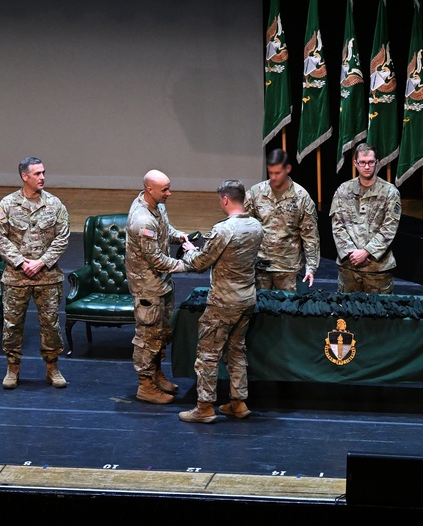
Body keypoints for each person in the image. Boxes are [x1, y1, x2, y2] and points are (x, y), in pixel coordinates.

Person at [178, 180, 263, 423]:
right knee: (237, 351)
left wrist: (189, 249)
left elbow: (200, 263)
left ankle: (204, 407)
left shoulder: (223, 230)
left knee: (208, 353)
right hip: (247, 298)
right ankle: (238, 402)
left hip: (223, 302)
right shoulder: (256, 226)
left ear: (225, 199)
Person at [0, 157, 71, 389]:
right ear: (25, 176)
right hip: (16, 278)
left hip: (47, 277)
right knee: (12, 325)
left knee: (51, 325)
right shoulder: (7, 204)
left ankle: (52, 367)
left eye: (43, 172)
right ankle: (12, 368)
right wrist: (20, 262)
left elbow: (62, 237)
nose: (42, 177)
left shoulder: (55, 205)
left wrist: (42, 262)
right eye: (37, 174)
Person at [125, 169, 189, 404]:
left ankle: (156, 374)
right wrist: (189, 265)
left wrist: (179, 237)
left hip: (161, 284)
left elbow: (164, 230)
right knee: (147, 336)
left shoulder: (157, 206)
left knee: (161, 333)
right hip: (148, 288)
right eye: (165, 190)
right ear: (149, 189)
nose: (169, 193)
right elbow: (159, 261)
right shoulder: (142, 220)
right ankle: (145, 385)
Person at [329, 143, 402, 293]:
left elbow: (389, 229)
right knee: (347, 313)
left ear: (377, 162)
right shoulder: (343, 190)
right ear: (355, 163)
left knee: (379, 314)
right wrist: (352, 253)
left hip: (378, 269)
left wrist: (366, 252)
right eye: (362, 162)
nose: (367, 166)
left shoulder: (390, 192)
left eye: (370, 162)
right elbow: (337, 225)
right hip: (349, 268)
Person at [244, 148, 319, 290]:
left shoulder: (301, 197)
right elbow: (244, 226)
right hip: (260, 266)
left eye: (277, 173)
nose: (273, 177)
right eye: (270, 172)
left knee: (287, 309)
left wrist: (311, 268)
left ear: (288, 169)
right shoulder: (256, 193)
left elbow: (310, 236)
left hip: (288, 268)